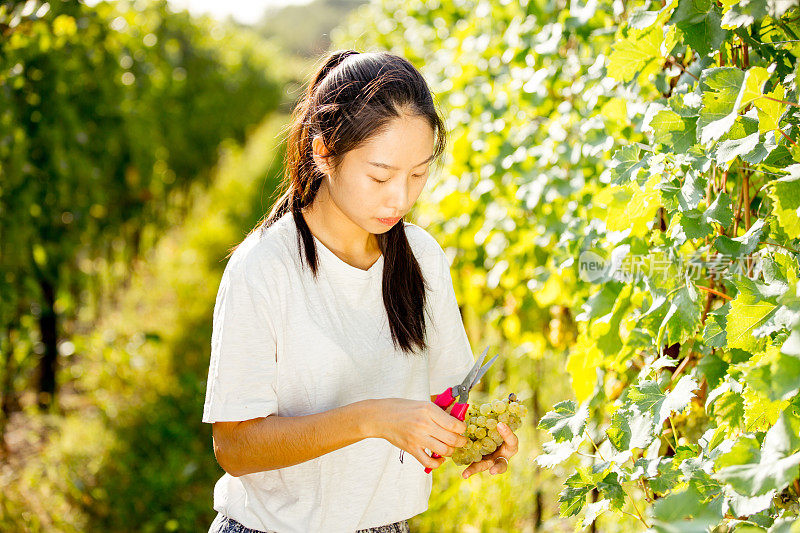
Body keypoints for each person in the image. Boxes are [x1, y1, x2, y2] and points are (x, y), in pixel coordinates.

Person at [201, 49, 519, 533]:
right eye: (380, 175)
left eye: (418, 174)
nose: (401, 198)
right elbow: (236, 449)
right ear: (324, 150)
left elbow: (442, 400)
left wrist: (476, 436)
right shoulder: (264, 268)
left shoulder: (421, 257)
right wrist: (371, 418)